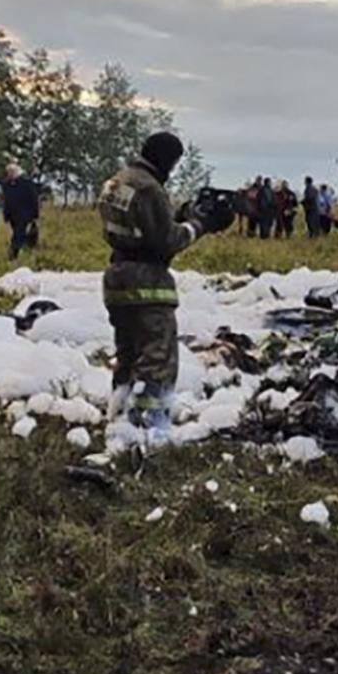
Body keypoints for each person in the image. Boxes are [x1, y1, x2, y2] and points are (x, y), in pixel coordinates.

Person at [97, 132, 218, 443]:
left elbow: (138, 226)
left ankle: (118, 414)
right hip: (147, 282)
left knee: (128, 352)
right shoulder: (150, 188)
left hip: (117, 277)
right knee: (157, 355)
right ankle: (148, 427)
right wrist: (198, 225)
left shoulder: (117, 181)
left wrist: (175, 217)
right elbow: (166, 241)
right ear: (168, 159)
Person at [2, 161, 41, 259]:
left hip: (25, 214)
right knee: (19, 233)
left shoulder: (27, 183)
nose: (9, 174)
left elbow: (33, 199)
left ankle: (14, 254)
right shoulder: (7, 184)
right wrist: (6, 215)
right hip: (13, 215)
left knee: (20, 234)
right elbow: (6, 201)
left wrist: (35, 214)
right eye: (8, 172)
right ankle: (21, 252)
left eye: (11, 171)